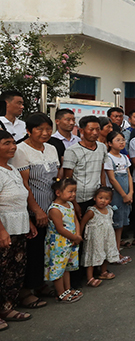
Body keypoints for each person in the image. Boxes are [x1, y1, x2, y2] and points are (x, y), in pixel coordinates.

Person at [12, 113, 60, 308]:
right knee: (32, 250)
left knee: (47, 248)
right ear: (29, 131)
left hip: (52, 206)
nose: (45, 133)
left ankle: (40, 284)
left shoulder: (51, 148)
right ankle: (26, 291)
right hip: (33, 209)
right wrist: (37, 211)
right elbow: (24, 184)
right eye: (39, 129)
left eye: (48, 129)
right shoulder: (21, 150)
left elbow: (58, 177)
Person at [0, 129, 36, 327]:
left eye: (13, 143)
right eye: (6, 143)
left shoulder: (12, 169)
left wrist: (27, 221)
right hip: (4, 229)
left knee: (13, 271)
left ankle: (7, 307)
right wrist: (2, 231)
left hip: (18, 227)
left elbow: (20, 198)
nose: (13, 147)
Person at [45, 177, 83, 303]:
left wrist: (77, 234)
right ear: (58, 193)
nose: (73, 194)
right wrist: (75, 237)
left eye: (74, 191)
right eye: (70, 191)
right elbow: (60, 229)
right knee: (58, 268)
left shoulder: (70, 205)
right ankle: (60, 293)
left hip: (70, 242)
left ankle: (67, 288)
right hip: (58, 244)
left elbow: (75, 220)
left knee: (66, 266)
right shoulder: (55, 209)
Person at [63, 116, 108, 218]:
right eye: (91, 129)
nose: (95, 133)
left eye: (97, 129)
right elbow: (67, 179)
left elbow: (102, 171)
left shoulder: (102, 147)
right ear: (82, 130)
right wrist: (74, 203)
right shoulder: (72, 151)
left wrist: (104, 193)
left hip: (97, 197)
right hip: (79, 198)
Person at [80, 187, 120, 287]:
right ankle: (90, 278)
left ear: (110, 200)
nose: (103, 201)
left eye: (106, 199)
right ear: (95, 198)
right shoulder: (92, 211)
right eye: (100, 198)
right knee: (92, 256)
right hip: (95, 239)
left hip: (107, 237)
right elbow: (83, 223)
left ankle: (103, 272)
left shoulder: (109, 210)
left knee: (106, 252)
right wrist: (79, 234)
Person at [104, 131, 133, 258]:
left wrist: (131, 192)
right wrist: (124, 195)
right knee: (114, 222)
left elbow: (129, 175)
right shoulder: (108, 158)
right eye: (117, 140)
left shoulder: (125, 157)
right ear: (109, 143)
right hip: (116, 194)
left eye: (122, 139)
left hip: (126, 193)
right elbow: (112, 179)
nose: (122, 142)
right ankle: (113, 252)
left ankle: (117, 250)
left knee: (121, 222)